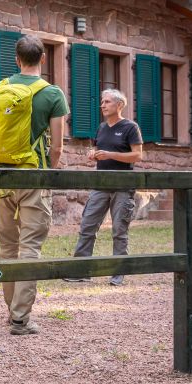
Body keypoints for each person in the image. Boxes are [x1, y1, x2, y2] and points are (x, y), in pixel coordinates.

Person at [0, 35, 68, 336]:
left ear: (16, 59)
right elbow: (56, 147)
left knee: (7, 246)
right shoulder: (52, 94)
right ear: (42, 59)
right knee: (30, 245)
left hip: (1, 174)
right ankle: (20, 318)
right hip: (33, 174)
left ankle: (11, 310)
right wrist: (50, 174)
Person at [65, 88, 143, 285]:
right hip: (100, 185)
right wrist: (93, 154)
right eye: (102, 102)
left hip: (123, 186)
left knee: (119, 230)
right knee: (87, 226)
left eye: (107, 102)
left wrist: (110, 155)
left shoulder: (130, 127)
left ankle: (118, 273)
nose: (103, 105)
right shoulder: (101, 128)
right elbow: (96, 147)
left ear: (119, 105)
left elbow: (137, 155)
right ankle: (81, 270)